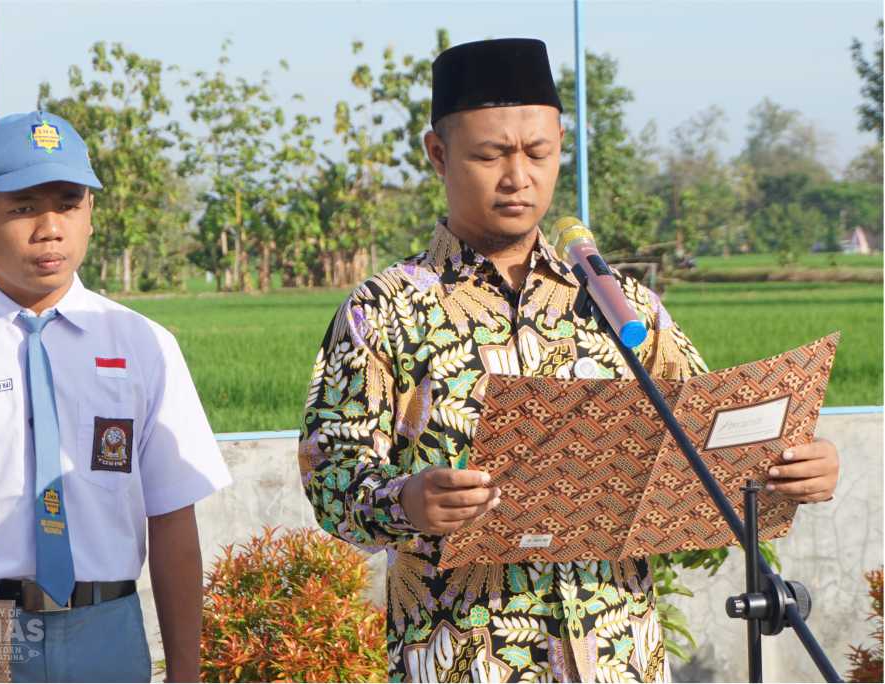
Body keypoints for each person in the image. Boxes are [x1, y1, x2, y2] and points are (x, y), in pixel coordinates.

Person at [298, 38, 840, 682]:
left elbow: (708, 442)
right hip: (466, 658)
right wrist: (405, 502)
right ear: (438, 154)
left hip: (618, 655)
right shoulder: (383, 310)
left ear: (560, 146)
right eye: (490, 155)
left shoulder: (621, 305)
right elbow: (329, 479)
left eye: (538, 153)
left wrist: (794, 468)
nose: (517, 177)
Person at [0, 111, 231, 682]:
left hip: (106, 623)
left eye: (68, 203)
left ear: (91, 214)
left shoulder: (144, 346)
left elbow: (172, 517)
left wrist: (186, 673)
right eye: (23, 207)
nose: (50, 227)